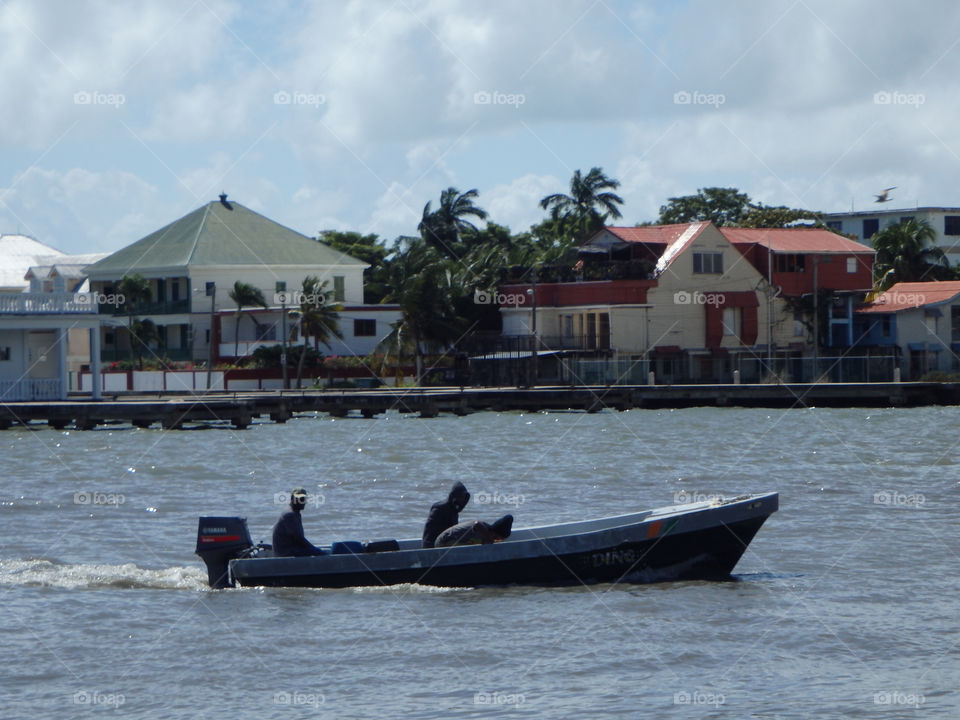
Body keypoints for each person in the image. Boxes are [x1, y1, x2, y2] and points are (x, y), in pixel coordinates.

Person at [272, 487, 326, 557]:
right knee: (321, 553)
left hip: (290, 550)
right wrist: (317, 551)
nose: (302, 501)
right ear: (292, 499)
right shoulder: (290, 515)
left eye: (303, 499)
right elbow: (299, 540)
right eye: (299, 499)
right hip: (285, 554)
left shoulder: (295, 513)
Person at [421, 481, 470, 548]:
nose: (462, 499)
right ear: (455, 496)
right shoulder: (439, 508)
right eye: (460, 496)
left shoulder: (454, 511)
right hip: (432, 545)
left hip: (444, 541)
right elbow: (430, 533)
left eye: (464, 497)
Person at [434, 514, 513, 548]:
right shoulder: (482, 528)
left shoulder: (486, 536)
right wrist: (490, 540)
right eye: (496, 537)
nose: (495, 540)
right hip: (443, 542)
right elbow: (476, 524)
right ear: (493, 532)